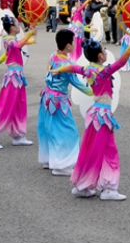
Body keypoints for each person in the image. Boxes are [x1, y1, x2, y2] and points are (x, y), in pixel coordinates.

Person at [69, 38, 130, 200]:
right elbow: (121, 62)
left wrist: (58, 69)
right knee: (109, 152)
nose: (106, 52)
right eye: (104, 50)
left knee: (92, 149)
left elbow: (72, 67)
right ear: (100, 56)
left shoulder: (88, 69)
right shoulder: (103, 71)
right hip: (103, 117)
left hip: (94, 115)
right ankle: (108, 189)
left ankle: (83, 185)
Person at [38, 30, 93, 176]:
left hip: (47, 97)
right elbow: (79, 84)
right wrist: (95, 92)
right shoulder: (67, 64)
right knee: (68, 131)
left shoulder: (53, 55)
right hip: (58, 102)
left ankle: (49, 160)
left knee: (49, 129)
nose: (75, 44)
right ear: (68, 45)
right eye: (73, 41)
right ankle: (62, 165)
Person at [0, 16, 36, 148]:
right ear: (12, 28)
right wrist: (29, 33)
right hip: (12, 77)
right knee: (6, 106)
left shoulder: (13, 38)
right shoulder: (8, 40)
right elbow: (18, 45)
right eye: (17, 25)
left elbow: (29, 41)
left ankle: (18, 135)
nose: (19, 27)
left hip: (18, 77)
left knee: (19, 105)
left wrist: (33, 32)